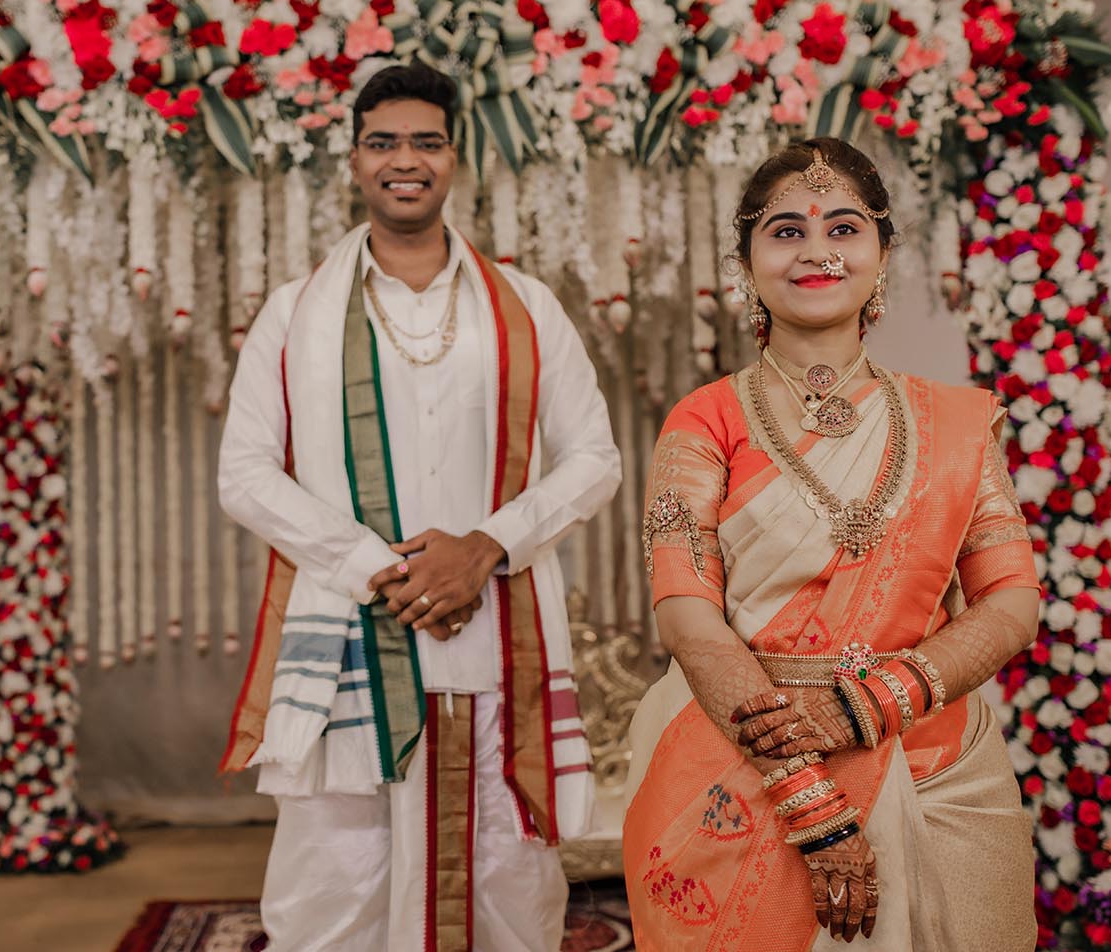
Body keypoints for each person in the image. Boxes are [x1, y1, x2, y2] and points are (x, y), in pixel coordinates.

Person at [217, 61, 622, 952]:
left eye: (427, 141)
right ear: (355, 161)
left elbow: (595, 457)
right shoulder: (293, 317)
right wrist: (381, 567)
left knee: (508, 880)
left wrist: (485, 548)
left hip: (495, 629)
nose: (406, 159)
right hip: (351, 632)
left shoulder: (528, 307)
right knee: (334, 884)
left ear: (455, 159)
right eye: (384, 141)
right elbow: (243, 472)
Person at [621, 137, 1041, 950]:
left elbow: (1011, 602)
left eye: (844, 227)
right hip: (736, 755)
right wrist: (807, 799)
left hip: (933, 762)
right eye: (785, 232)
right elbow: (688, 619)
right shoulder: (703, 419)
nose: (816, 250)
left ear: (883, 252)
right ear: (746, 261)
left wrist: (872, 704)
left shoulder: (954, 424)